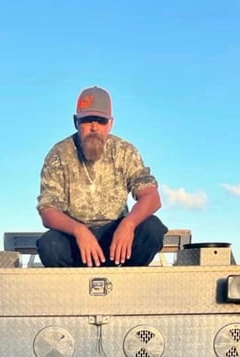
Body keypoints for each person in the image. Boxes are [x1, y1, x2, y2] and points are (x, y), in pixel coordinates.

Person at [36, 85, 167, 267]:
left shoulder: (125, 151)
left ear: (111, 123)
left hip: (117, 238)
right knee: (49, 245)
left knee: (152, 229)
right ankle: (74, 289)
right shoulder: (59, 155)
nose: (94, 127)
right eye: (87, 120)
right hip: (77, 241)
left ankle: (127, 283)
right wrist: (79, 231)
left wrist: (128, 224)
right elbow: (48, 211)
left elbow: (152, 197)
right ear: (76, 122)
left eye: (101, 120)